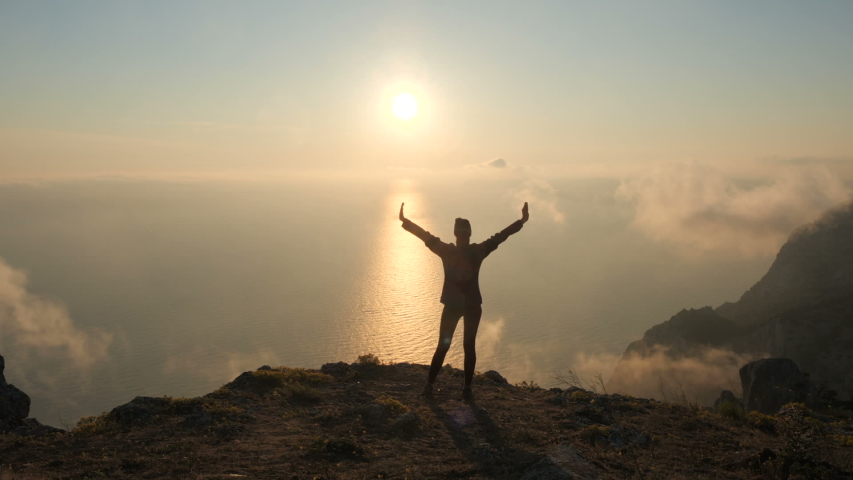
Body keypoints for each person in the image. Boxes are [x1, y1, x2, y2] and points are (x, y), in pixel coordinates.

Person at [399, 201, 529, 399]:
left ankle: (429, 386)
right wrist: (521, 221)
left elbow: (424, 236)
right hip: (472, 306)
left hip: (452, 305)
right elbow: (501, 237)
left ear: (456, 235)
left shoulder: (447, 250)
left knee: (443, 346)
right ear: (469, 235)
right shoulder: (478, 251)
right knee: (469, 346)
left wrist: (405, 221)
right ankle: (466, 389)